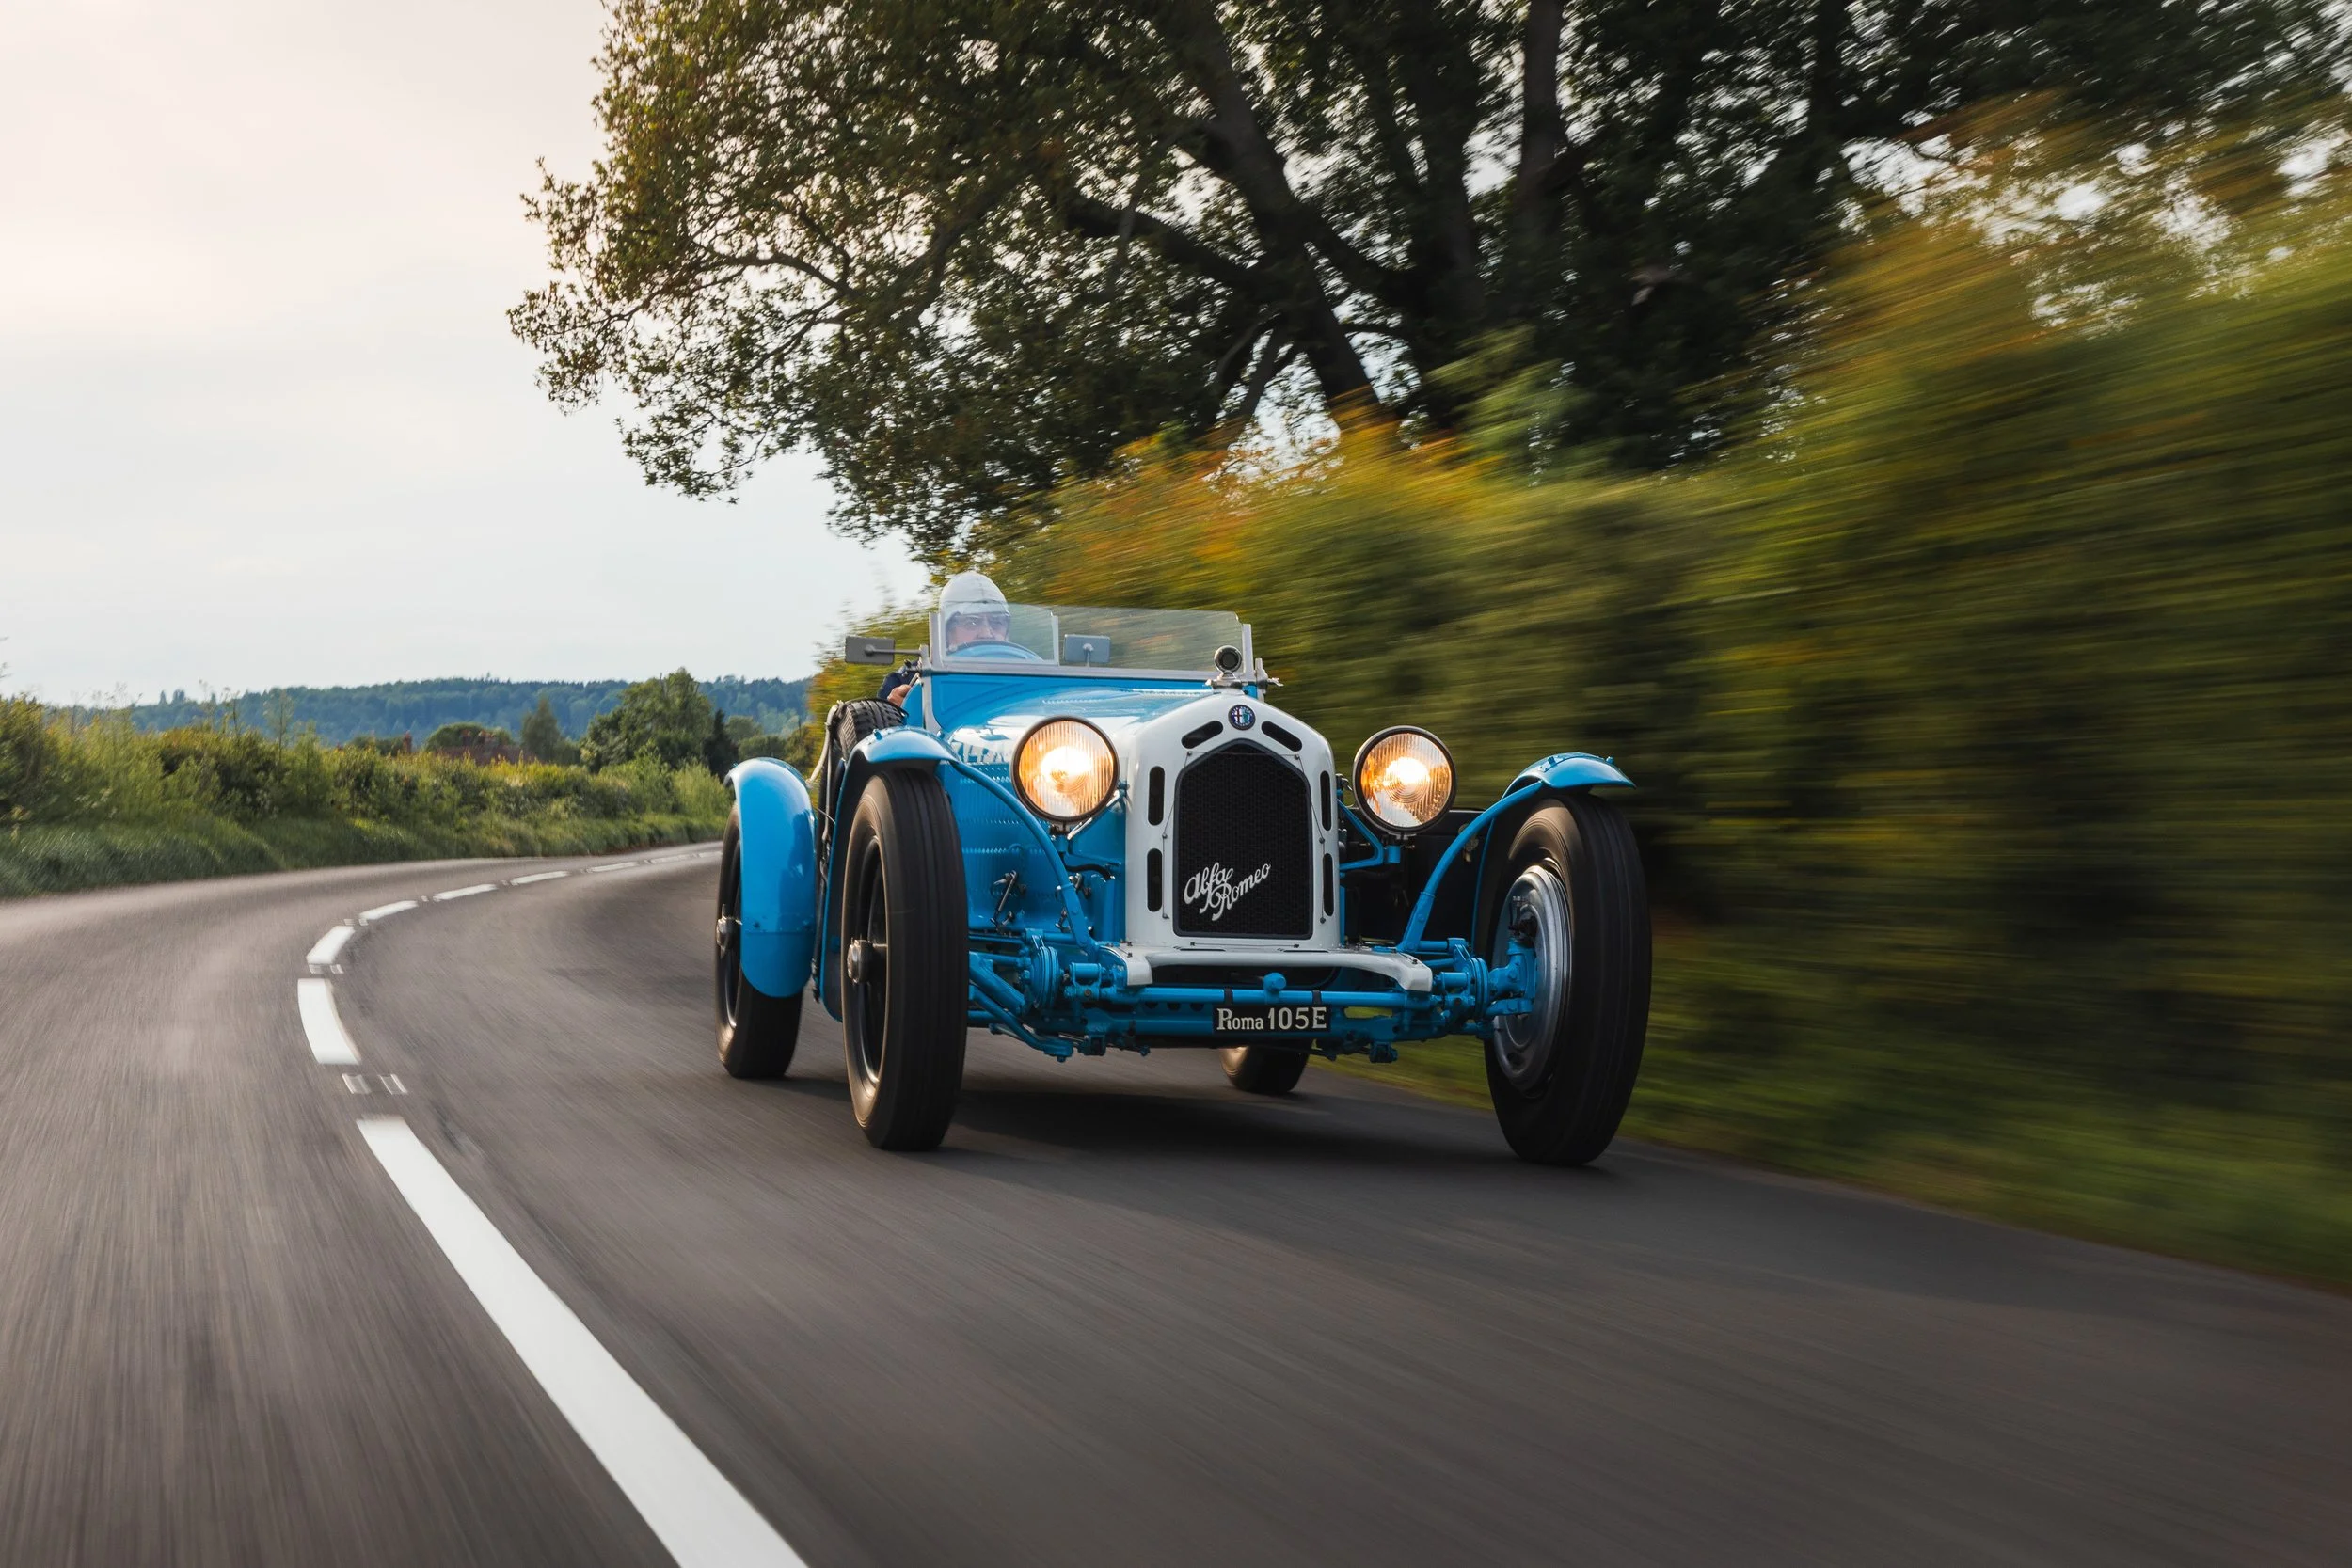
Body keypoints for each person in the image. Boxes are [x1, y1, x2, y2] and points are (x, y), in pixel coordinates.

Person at [878, 571, 1030, 705]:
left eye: (997, 622)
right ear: (946, 632)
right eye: (972, 622)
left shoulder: (1031, 675)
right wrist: (898, 713)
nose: (987, 633)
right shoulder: (908, 680)